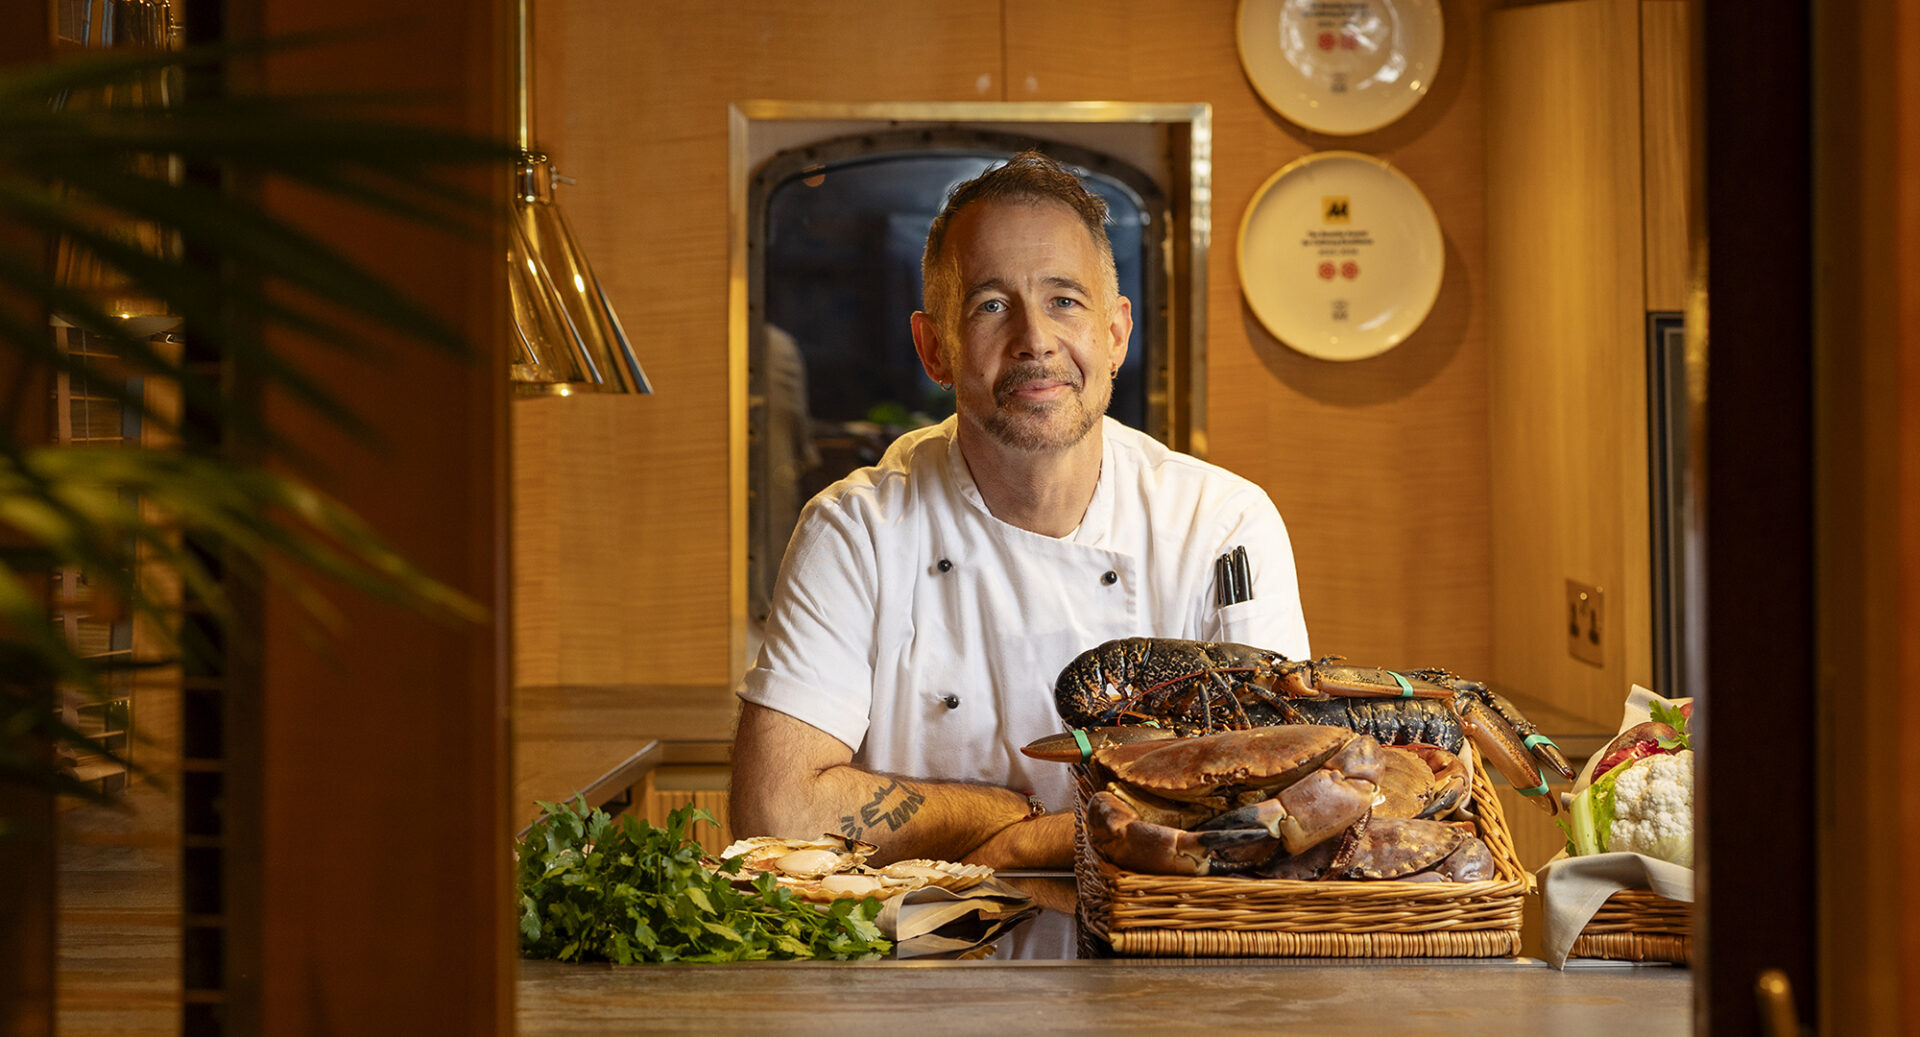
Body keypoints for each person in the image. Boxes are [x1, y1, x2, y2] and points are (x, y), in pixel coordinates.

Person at [729, 151, 1310, 871]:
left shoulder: (1221, 524)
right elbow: (774, 810)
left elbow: (1274, 798)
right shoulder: (858, 532)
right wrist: (1006, 816)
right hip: (913, 973)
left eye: (1065, 300)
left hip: (1156, 969)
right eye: (991, 305)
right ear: (934, 348)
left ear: (1117, 333)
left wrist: (1026, 844)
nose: (1035, 339)